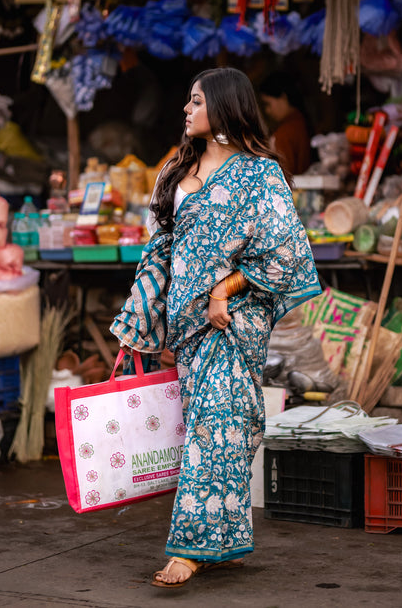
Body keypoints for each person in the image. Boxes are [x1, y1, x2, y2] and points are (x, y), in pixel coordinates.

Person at [110, 67, 322, 588]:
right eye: (187, 100)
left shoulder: (259, 175)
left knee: (213, 426)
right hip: (185, 323)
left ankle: (188, 548)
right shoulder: (175, 169)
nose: (186, 109)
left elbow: (288, 253)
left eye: (197, 101)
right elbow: (159, 249)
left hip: (231, 323)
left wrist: (225, 288)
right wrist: (143, 316)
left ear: (225, 107)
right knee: (217, 429)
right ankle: (221, 541)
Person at [259, 71, 312, 176]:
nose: (267, 111)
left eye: (268, 104)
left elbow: (283, 175)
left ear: (283, 97)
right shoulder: (301, 123)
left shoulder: (285, 133)